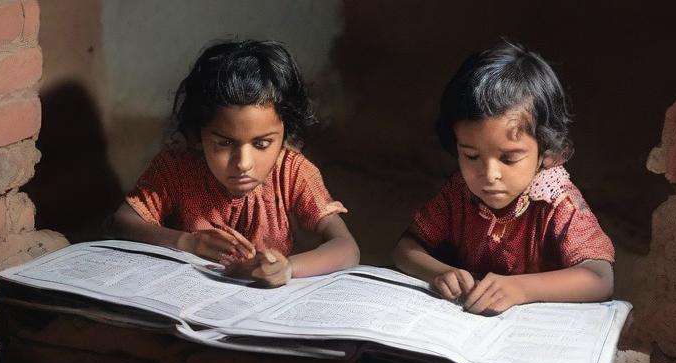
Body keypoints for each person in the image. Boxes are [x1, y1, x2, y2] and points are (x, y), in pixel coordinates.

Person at [111, 39, 359, 286]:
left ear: (285, 135)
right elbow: (120, 223)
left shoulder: (292, 171)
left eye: (262, 144)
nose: (243, 163)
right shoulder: (177, 168)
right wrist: (187, 242)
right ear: (198, 135)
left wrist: (288, 268)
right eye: (224, 143)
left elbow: (347, 248)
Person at [393, 41, 614, 313]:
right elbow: (406, 248)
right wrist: (440, 272)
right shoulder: (459, 192)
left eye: (509, 158)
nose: (489, 175)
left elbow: (600, 278)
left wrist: (519, 289)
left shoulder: (557, 201)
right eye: (471, 156)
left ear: (545, 150)